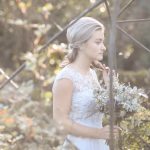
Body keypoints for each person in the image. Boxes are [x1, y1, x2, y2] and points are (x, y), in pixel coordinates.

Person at [52, 17, 120, 150]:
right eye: (98, 42)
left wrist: (109, 86)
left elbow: (98, 109)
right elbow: (60, 122)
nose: (103, 48)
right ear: (82, 44)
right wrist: (98, 133)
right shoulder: (66, 78)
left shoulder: (92, 73)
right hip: (78, 146)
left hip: (99, 145)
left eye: (102, 42)